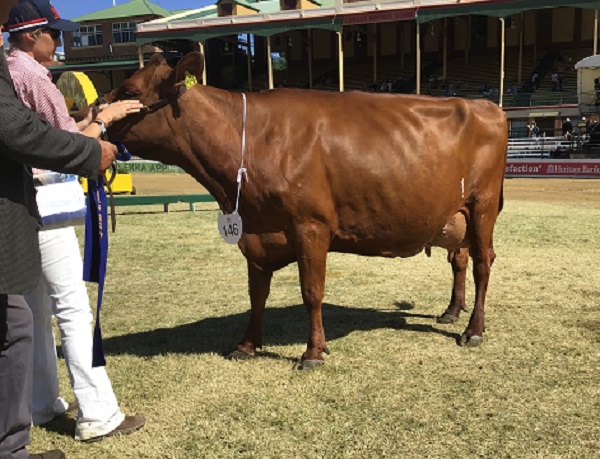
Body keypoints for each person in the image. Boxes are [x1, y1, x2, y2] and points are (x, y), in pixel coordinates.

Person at [4, 0, 145, 444]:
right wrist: (102, 122)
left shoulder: (12, 70)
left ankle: (41, 402)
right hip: (46, 201)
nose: (61, 40)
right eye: (54, 33)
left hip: (24, 207)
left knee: (35, 308)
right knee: (71, 306)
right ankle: (98, 412)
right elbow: (62, 143)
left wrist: (88, 120)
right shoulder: (34, 76)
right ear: (32, 36)